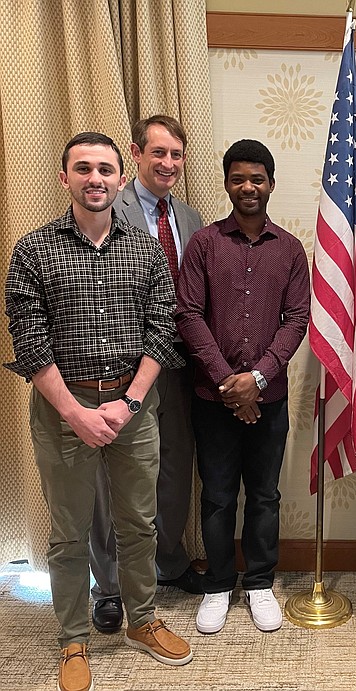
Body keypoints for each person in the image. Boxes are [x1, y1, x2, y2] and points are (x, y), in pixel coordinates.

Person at [5, 132, 192, 691]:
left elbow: (163, 331)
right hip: (64, 406)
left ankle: (143, 619)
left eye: (105, 170)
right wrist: (76, 413)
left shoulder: (144, 249)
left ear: (119, 178)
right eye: (83, 168)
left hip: (135, 405)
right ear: (64, 177)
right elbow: (29, 342)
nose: (95, 179)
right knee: (69, 533)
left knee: (139, 523)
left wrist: (131, 401)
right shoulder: (33, 251)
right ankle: (73, 638)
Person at [175, 139, 310, 635]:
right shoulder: (205, 244)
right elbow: (188, 314)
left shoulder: (291, 249)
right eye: (238, 179)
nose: (248, 187)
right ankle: (218, 586)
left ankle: (259, 583)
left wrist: (255, 379)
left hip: (268, 399)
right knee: (216, 495)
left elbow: (297, 319)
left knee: (265, 494)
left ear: (270, 183)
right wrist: (228, 383)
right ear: (227, 183)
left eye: (257, 178)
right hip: (212, 399)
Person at [89, 115, 205, 636]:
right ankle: (109, 585)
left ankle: (170, 561)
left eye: (176, 155)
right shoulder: (108, 205)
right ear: (136, 154)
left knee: (175, 464)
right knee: (113, 476)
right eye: (158, 153)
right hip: (122, 363)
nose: (168, 164)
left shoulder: (190, 215)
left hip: (179, 359)